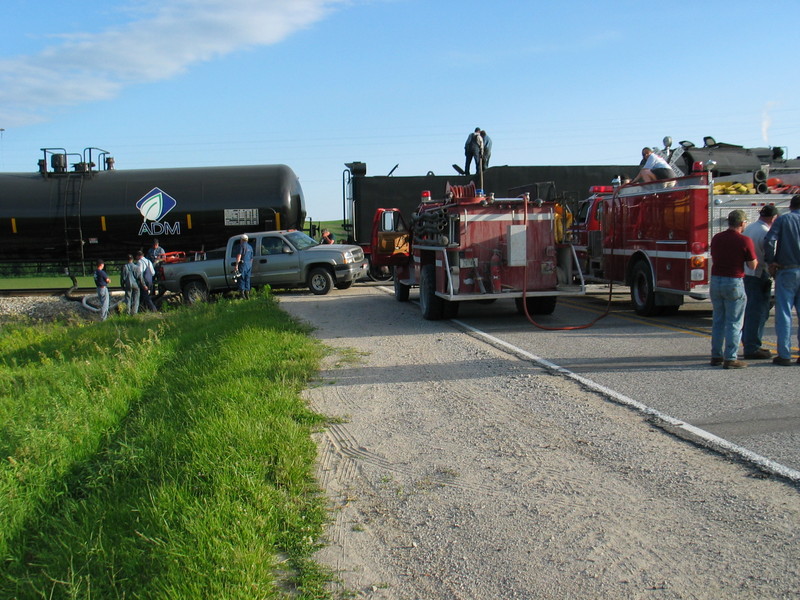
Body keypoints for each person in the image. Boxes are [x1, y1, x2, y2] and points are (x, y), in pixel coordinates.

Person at [709, 209, 757, 369]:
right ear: (742, 223)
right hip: (734, 280)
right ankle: (730, 357)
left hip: (716, 280)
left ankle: (716, 355)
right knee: (734, 322)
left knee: (718, 320)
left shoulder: (717, 238)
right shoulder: (744, 240)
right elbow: (752, 264)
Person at [764, 194, 800, 366]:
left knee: (784, 313)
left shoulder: (784, 220)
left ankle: (784, 354)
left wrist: (771, 262)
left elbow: (769, 241)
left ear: (791, 206)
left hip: (787, 270)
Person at [742, 205, 779, 359]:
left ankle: (749, 342)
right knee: (758, 312)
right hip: (758, 274)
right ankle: (752, 347)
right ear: (774, 218)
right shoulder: (765, 232)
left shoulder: (750, 228)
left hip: (747, 273)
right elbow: (768, 254)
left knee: (750, 311)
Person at [235, 234, 254, 299]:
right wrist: (250, 265)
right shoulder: (250, 247)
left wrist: (236, 265)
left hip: (243, 264)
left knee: (241, 278)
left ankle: (242, 295)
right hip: (249, 265)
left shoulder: (241, 246)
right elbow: (251, 258)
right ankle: (247, 294)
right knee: (247, 279)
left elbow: (239, 256)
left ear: (241, 240)